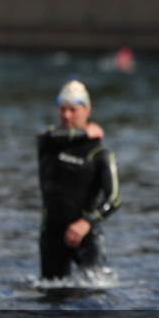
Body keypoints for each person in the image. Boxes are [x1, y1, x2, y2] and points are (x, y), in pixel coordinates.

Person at [37, 80, 120, 280]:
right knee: (50, 297)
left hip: (86, 237)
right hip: (52, 236)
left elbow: (114, 199)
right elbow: (47, 134)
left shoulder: (100, 154)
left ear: (87, 110)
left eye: (72, 110)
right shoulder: (48, 143)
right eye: (62, 109)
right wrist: (84, 133)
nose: (66, 115)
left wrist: (86, 222)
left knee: (91, 299)